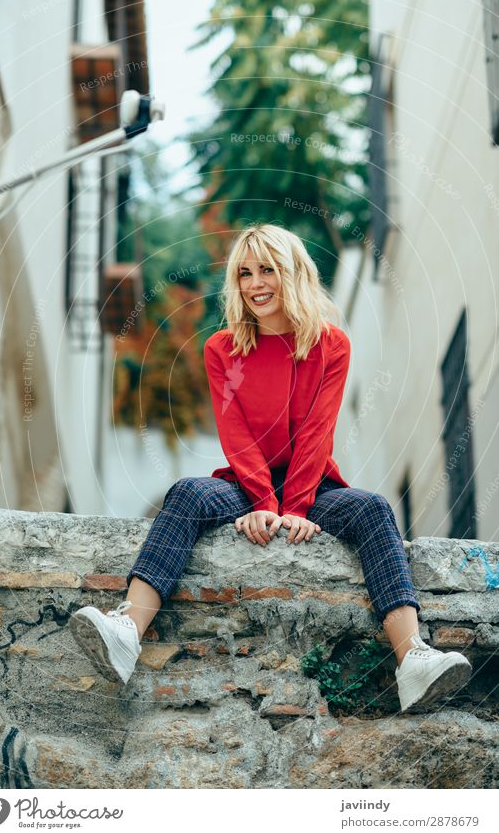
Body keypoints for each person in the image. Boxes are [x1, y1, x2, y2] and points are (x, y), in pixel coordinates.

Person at [70, 223, 472, 713]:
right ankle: (126, 631)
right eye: (244, 273)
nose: (255, 283)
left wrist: (297, 506)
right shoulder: (222, 348)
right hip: (245, 482)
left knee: (372, 509)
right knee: (188, 494)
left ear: (293, 273)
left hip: (314, 486)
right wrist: (262, 502)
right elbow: (235, 432)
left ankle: (414, 659)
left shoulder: (331, 345)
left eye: (267, 270)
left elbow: (317, 433)